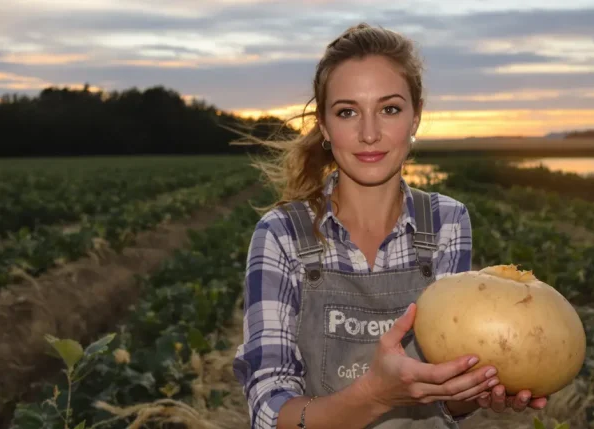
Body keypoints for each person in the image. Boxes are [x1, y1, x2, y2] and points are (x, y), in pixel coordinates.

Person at [232, 23, 548, 429]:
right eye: (348, 112)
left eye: (390, 109)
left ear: (416, 117)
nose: (369, 134)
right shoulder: (281, 234)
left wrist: (474, 390)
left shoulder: (448, 222)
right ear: (325, 127)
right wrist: (374, 395)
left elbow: (446, 399)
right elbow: (269, 410)